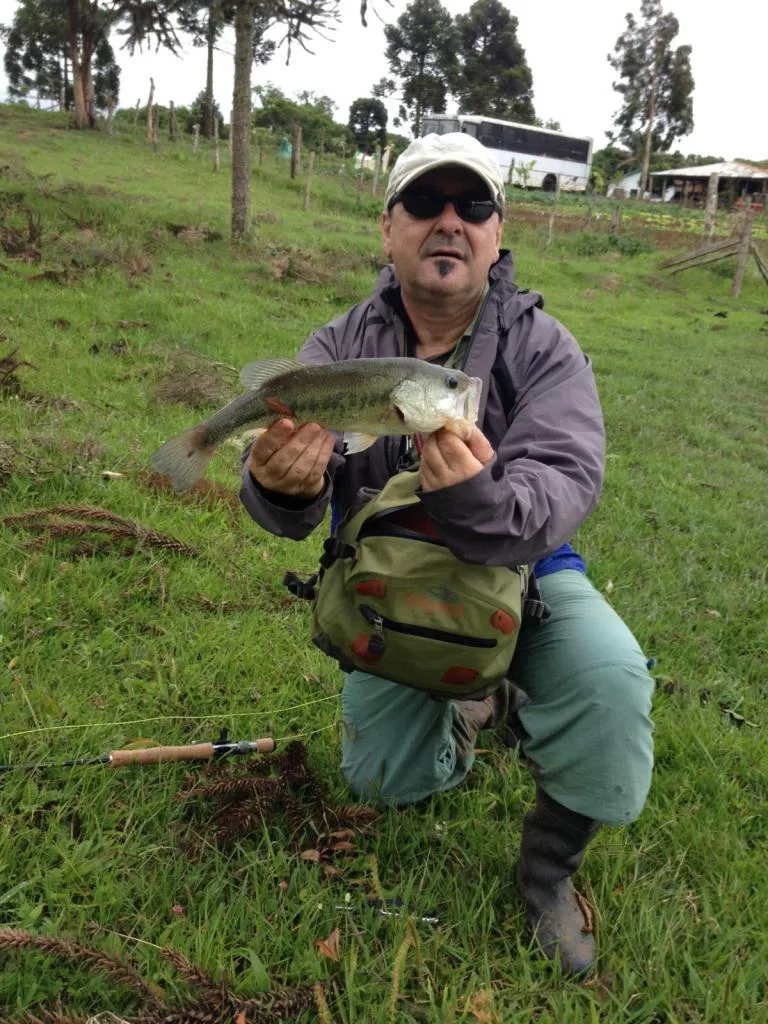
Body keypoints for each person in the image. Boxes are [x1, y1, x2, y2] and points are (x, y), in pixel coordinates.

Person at [239, 133, 654, 976]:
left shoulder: (547, 349)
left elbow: (565, 482)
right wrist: (282, 488)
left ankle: (547, 873)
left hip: (522, 574)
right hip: (387, 587)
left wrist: (478, 498)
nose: (449, 223)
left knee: (611, 680)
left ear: (498, 234)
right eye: (426, 204)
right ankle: (476, 712)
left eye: (473, 206)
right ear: (388, 228)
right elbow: (297, 508)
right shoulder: (338, 345)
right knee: (383, 782)